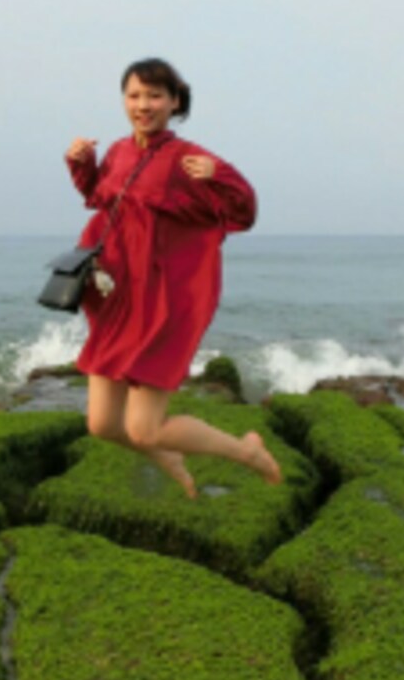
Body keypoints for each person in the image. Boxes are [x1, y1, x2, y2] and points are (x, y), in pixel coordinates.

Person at [65, 57, 282, 498]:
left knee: (144, 429)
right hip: (118, 297)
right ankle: (166, 455)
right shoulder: (118, 152)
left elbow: (243, 211)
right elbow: (99, 197)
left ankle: (247, 452)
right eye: (134, 95)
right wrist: (82, 164)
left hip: (161, 302)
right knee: (102, 425)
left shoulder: (189, 158)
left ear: (175, 102)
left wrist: (221, 175)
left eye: (154, 96)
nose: (143, 105)